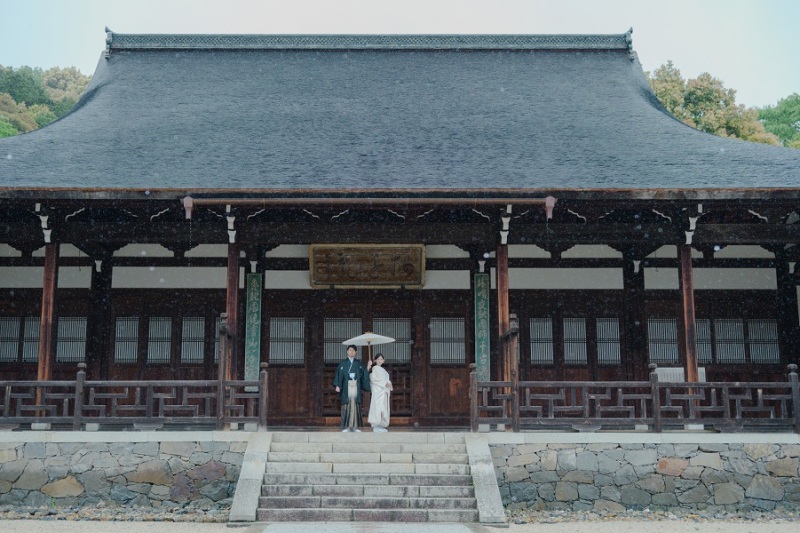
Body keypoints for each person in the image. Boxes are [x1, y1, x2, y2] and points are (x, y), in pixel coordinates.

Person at [333, 344, 371, 432]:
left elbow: (363, 374)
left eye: (353, 350)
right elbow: (339, 374)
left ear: (356, 352)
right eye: (350, 350)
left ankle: (355, 427)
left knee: (354, 405)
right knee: (346, 405)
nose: (351, 352)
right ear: (347, 351)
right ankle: (346, 427)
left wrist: (368, 366)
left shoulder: (358, 363)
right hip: (346, 387)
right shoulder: (342, 363)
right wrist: (338, 385)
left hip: (355, 387)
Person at [367, 353, 392, 432]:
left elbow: (387, 380)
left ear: (383, 360)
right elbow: (373, 378)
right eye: (378, 359)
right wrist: (369, 366)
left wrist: (388, 383)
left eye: (381, 359)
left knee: (383, 408)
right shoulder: (374, 368)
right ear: (375, 360)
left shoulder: (384, 370)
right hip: (378, 391)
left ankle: (381, 424)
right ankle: (376, 424)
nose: (379, 361)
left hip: (383, 391)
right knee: (377, 407)